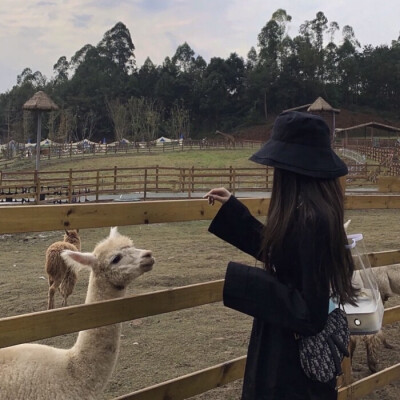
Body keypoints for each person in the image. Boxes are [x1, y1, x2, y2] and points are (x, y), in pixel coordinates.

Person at [204, 111, 358, 400]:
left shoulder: (314, 220)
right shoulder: (311, 212)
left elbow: (309, 313)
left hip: (290, 367)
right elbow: (284, 253)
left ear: (291, 170)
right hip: (287, 354)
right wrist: (235, 213)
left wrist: (245, 283)